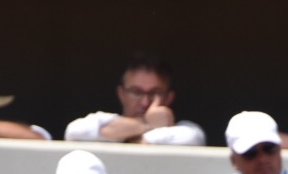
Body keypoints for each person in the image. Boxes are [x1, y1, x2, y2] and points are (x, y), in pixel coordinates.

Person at [63, 54, 204, 146]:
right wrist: (147, 123)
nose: (145, 102)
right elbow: (74, 132)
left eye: (154, 93)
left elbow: (192, 138)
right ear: (121, 94)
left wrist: (126, 136)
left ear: (169, 98)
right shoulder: (103, 120)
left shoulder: (185, 129)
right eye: (137, 92)